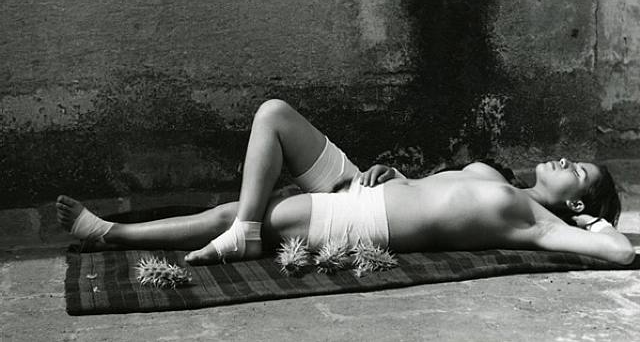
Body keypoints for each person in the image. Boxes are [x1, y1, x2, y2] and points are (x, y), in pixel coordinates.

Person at [56, 99, 636, 266]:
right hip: (365, 184)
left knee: (227, 216)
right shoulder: (495, 177)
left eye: (578, 173)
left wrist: (589, 225)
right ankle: (247, 227)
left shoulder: (537, 226)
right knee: (273, 114)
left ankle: (110, 233)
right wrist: (398, 173)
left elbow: (621, 250)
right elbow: (435, 192)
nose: (565, 161)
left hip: (365, 220)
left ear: (578, 204)